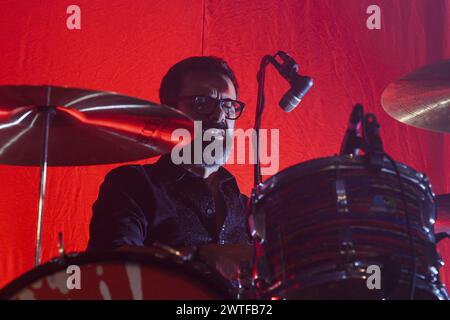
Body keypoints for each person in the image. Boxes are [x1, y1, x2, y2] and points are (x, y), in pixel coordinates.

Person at [87, 56, 252, 275]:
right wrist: (203, 256)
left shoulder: (248, 208)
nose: (220, 115)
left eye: (228, 105)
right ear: (169, 113)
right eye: (202, 102)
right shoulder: (134, 184)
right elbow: (109, 264)